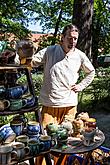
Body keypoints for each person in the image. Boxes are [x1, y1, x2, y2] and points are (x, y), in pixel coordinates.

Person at [31, 24, 95, 165]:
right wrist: (18, 56)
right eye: (70, 38)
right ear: (62, 38)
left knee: (67, 143)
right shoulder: (50, 51)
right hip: (50, 104)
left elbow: (91, 72)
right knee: (45, 141)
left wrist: (81, 85)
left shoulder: (79, 55)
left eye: (75, 39)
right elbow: (31, 61)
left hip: (70, 105)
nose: (73, 41)